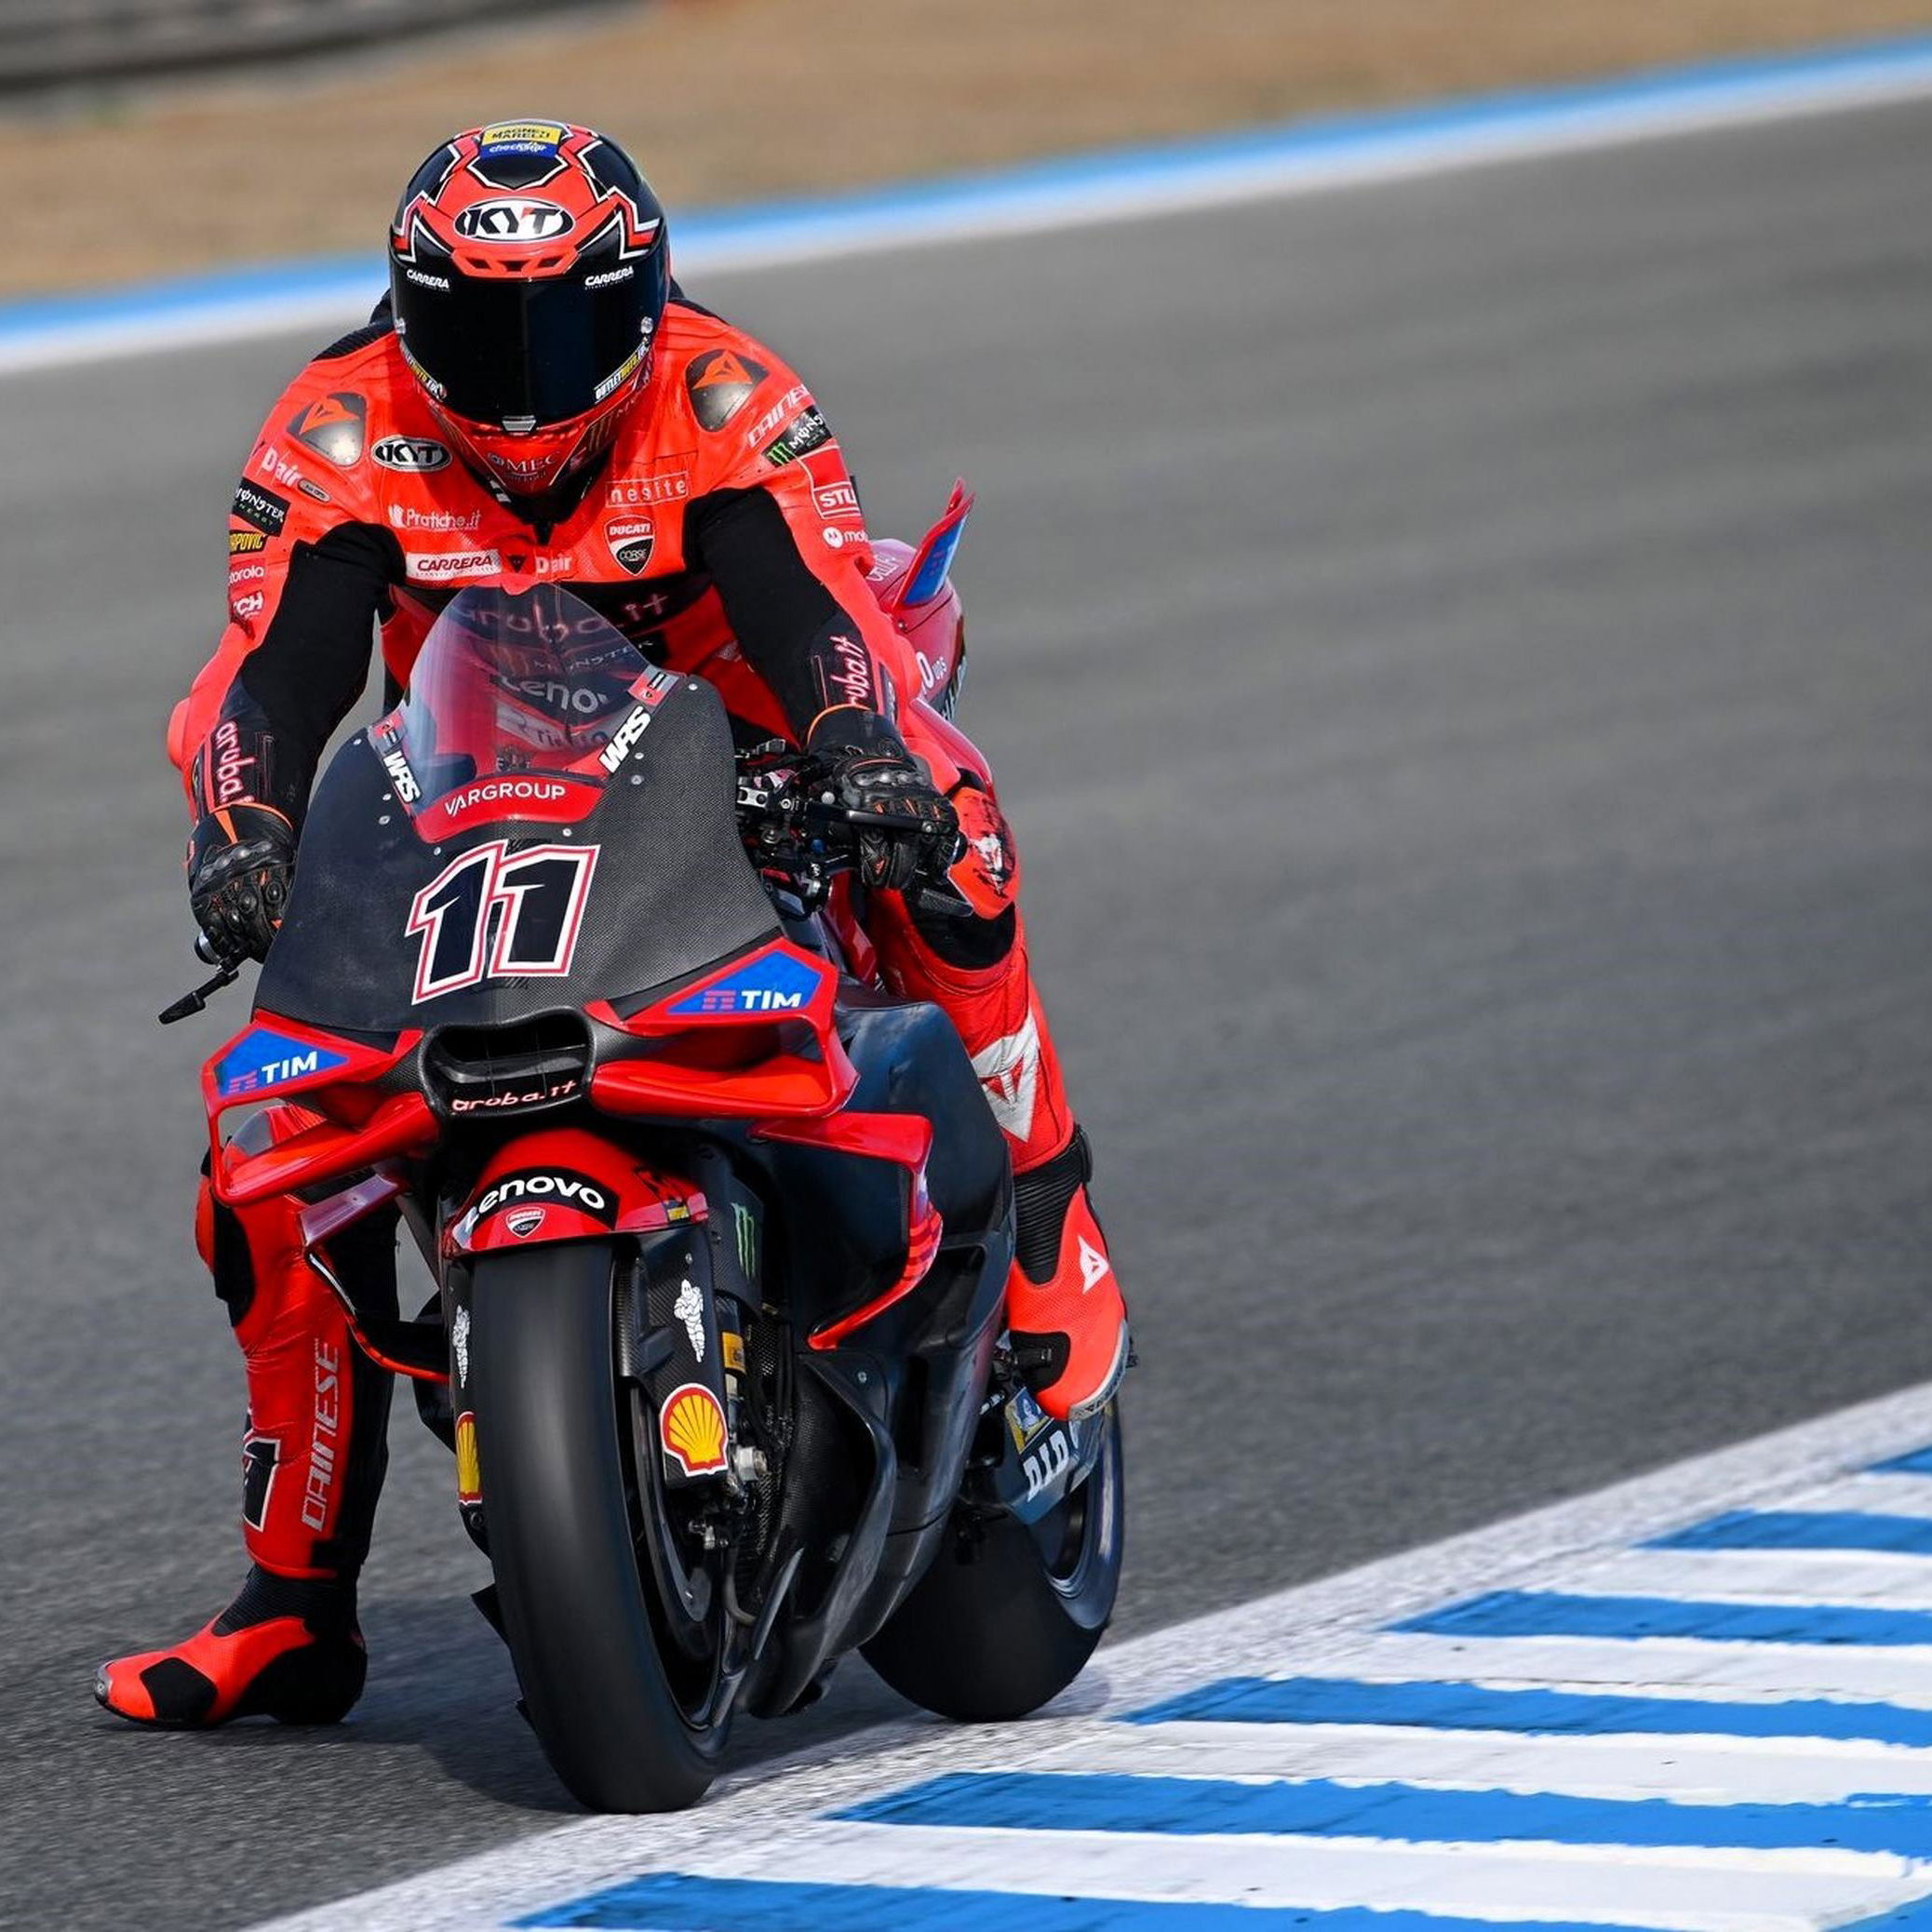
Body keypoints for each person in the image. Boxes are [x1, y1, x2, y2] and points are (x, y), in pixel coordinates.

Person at [96, 122, 1129, 1730]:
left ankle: (1052, 1213)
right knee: (263, 1148)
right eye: (478, 328)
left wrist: (857, 751)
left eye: (565, 325)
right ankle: (293, 1599)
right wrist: (250, 828)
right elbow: (276, 669)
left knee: (953, 822)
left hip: (745, 748)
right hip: (479, 786)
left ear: (640, 300)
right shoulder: (334, 425)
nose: (522, 380)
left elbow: (808, 610)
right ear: (402, 307)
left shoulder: (722, 399)